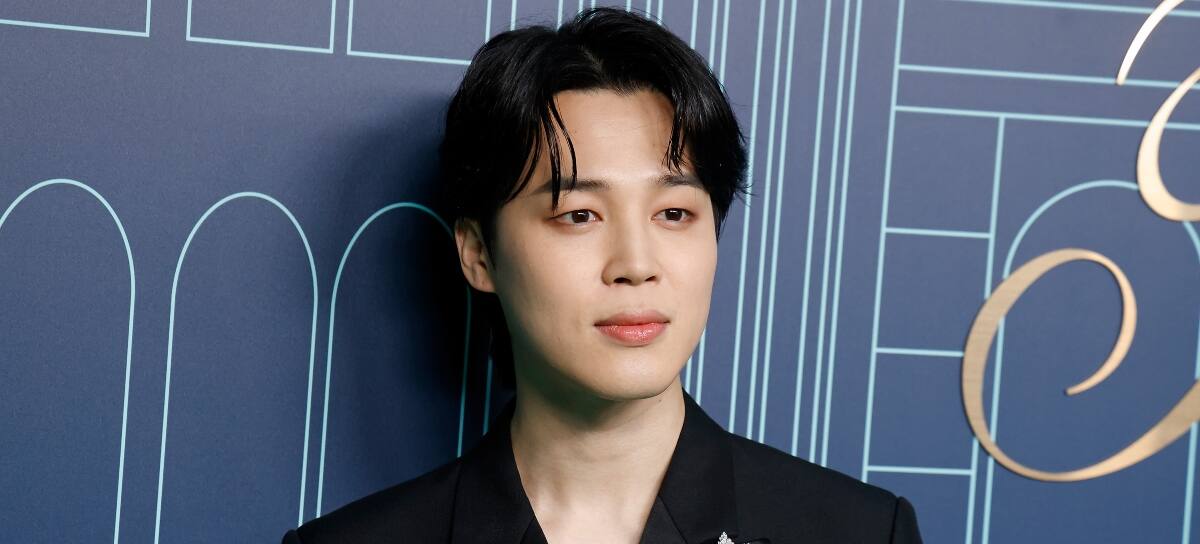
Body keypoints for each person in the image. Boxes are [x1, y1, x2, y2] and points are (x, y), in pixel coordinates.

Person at [284, 7, 922, 543]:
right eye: (579, 215)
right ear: (478, 253)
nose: (636, 266)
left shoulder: (862, 532)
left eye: (674, 213)